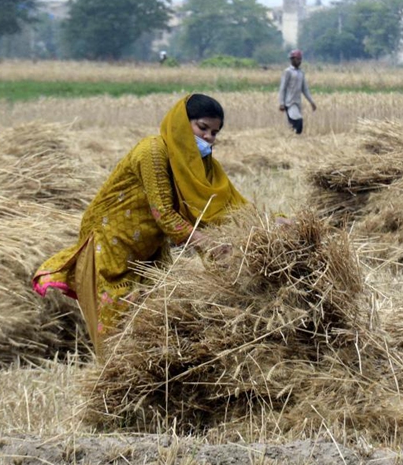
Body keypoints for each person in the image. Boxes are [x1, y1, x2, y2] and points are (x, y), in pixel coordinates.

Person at [32, 94, 247, 356]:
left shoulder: (196, 164)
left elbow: (224, 201)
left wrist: (264, 225)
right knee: (117, 335)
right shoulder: (153, 151)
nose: (209, 138)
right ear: (181, 122)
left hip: (148, 251)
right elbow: (165, 214)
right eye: (203, 128)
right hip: (112, 247)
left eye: (215, 132)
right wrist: (209, 245)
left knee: (156, 322)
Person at [278, 49, 317, 135]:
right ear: (292, 59)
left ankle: (293, 140)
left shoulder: (301, 73)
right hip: (289, 103)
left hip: (298, 103)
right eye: (297, 59)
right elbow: (282, 88)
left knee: (295, 126)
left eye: (300, 59)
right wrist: (281, 103)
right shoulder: (287, 72)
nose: (299, 61)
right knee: (299, 122)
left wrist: (312, 102)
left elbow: (305, 89)